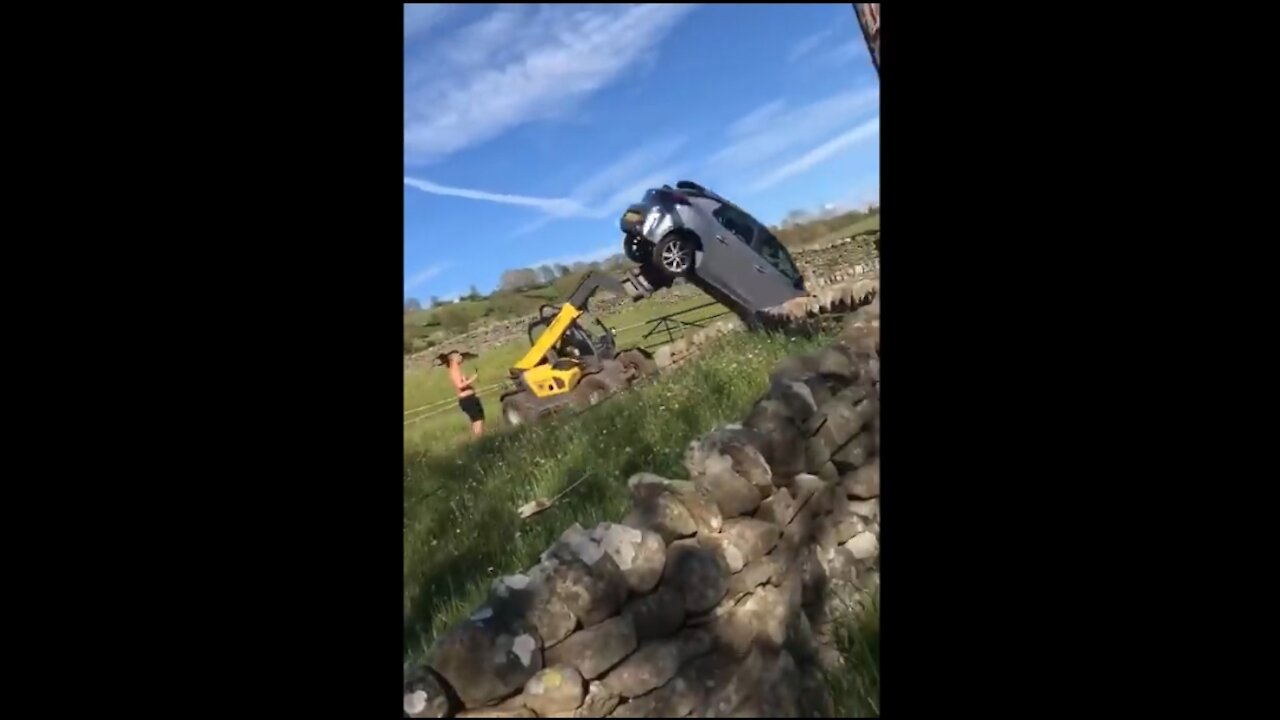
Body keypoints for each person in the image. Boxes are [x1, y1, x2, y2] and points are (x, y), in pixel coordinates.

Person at [445, 351, 484, 436]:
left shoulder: (458, 369)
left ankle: (479, 439)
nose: (461, 357)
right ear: (453, 359)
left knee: (477, 420)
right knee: (478, 421)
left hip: (470, 397)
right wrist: (473, 378)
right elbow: (460, 385)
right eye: (458, 355)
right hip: (467, 399)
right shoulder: (454, 370)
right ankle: (480, 440)